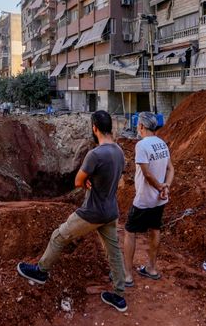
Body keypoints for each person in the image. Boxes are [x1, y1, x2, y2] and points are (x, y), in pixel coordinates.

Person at [17, 111, 128, 312]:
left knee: (58, 236)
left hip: (92, 212)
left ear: (94, 128)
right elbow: (117, 176)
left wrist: (87, 181)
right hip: (111, 211)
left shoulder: (95, 154)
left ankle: (41, 271)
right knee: (114, 253)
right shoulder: (119, 152)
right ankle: (119, 296)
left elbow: (77, 181)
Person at [123, 112, 174, 285]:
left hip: (144, 199)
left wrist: (160, 186)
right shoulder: (162, 143)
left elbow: (146, 174)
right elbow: (170, 169)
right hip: (160, 199)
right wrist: (166, 186)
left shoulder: (142, 145)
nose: (137, 128)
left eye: (138, 125)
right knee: (154, 229)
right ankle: (151, 268)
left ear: (142, 127)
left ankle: (128, 275)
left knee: (130, 231)